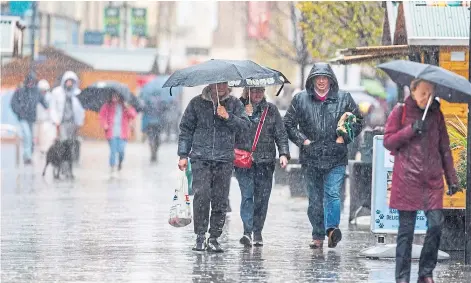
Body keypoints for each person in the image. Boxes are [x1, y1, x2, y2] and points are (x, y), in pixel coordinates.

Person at [383, 79, 459, 283]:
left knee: (435, 225)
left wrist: (451, 178)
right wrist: (410, 130)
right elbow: (388, 141)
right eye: (423, 93)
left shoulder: (437, 115)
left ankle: (426, 272)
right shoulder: (400, 112)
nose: (427, 97)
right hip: (406, 180)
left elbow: (444, 149)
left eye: (431, 93)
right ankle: (402, 277)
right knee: (405, 233)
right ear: (413, 91)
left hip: (432, 182)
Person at [284, 62, 362, 249]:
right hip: (311, 157)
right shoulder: (300, 99)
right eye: (317, 77)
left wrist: (344, 136)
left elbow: (358, 120)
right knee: (315, 200)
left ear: (330, 80)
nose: (321, 81)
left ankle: (331, 230)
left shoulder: (344, 98)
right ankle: (317, 234)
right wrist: (303, 141)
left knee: (333, 194)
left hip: (336, 157)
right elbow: (288, 122)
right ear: (312, 80)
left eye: (324, 77)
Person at [177, 82, 249, 253]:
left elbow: (245, 127)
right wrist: (183, 154)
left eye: (224, 83)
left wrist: (228, 116)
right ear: (211, 84)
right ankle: (200, 236)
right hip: (201, 158)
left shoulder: (234, 104)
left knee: (220, 199)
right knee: (201, 195)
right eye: (217, 83)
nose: (221, 86)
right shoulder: (196, 103)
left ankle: (214, 237)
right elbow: (186, 129)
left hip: (224, 159)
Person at [235, 87, 290, 247]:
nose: (258, 94)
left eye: (260, 90)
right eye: (254, 90)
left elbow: (280, 133)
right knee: (247, 196)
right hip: (244, 161)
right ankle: (247, 231)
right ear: (247, 91)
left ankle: (257, 230)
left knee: (262, 198)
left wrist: (284, 153)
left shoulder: (271, 110)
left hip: (265, 162)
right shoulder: (238, 107)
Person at [10, 72, 49, 164]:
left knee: (31, 137)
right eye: (29, 81)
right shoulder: (21, 90)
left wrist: (47, 106)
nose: (31, 83)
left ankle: (28, 155)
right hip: (23, 117)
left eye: (33, 81)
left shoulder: (36, 91)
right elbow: (13, 103)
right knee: (27, 135)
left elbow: (42, 100)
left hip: (31, 118)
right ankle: (27, 156)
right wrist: (19, 110)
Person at [50, 71, 85, 161]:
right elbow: (53, 107)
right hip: (62, 121)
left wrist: (80, 121)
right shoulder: (57, 92)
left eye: (71, 81)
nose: (69, 83)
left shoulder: (78, 93)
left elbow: (80, 109)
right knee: (63, 141)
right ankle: (63, 159)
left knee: (71, 141)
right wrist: (55, 120)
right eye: (67, 81)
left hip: (73, 122)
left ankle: (70, 158)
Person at [99, 92, 137, 175]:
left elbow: (133, 115)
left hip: (123, 133)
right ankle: (112, 166)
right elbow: (102, 116)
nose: (114, 97)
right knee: (113, 150)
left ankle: (120, 162)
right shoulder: (107, 106)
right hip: (111, 132)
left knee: (121, 151)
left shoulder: (124, 106)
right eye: (113, 95)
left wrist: (127, 108)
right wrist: (105, 124)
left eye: (116, 96)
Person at [35, 80, 56, 154]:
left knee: (47, 136)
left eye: (44, 90)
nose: (43, 92)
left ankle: (46, 150)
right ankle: (41, 150)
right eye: (41, 90)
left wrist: (53, 119)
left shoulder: (50, 97)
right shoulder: (36, 97)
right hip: (38, 120)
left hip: (47, 120)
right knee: (39, 137)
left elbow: (52, 109)